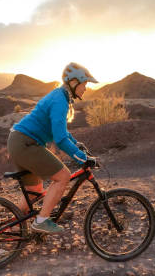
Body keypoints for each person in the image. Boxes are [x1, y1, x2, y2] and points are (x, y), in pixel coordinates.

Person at [7, 62, 98, 234]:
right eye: (84, 84)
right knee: (63, 176)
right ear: (73, 82)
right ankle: (41, 221)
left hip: (19, 142)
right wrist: (82, 158)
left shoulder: (60, 97)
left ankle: (14, 227)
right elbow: (60, 139)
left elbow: (62, 132)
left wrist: (77, 145)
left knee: (34, 191)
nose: (86, 88)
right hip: (26, 143)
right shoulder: (60, 101)